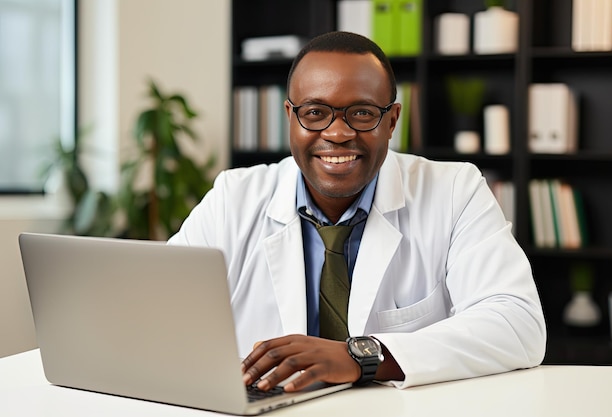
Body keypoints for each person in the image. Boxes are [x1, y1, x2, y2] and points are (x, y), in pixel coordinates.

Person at [168, 31, 546, 392]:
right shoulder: (234, 197)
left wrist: (363, 355)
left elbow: (518, 324)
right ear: (290, 116)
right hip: (272, 405)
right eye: (315, 113)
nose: (336, 133)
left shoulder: (454, 191)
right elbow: (158, 310)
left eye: (362, 113)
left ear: (392, 120)